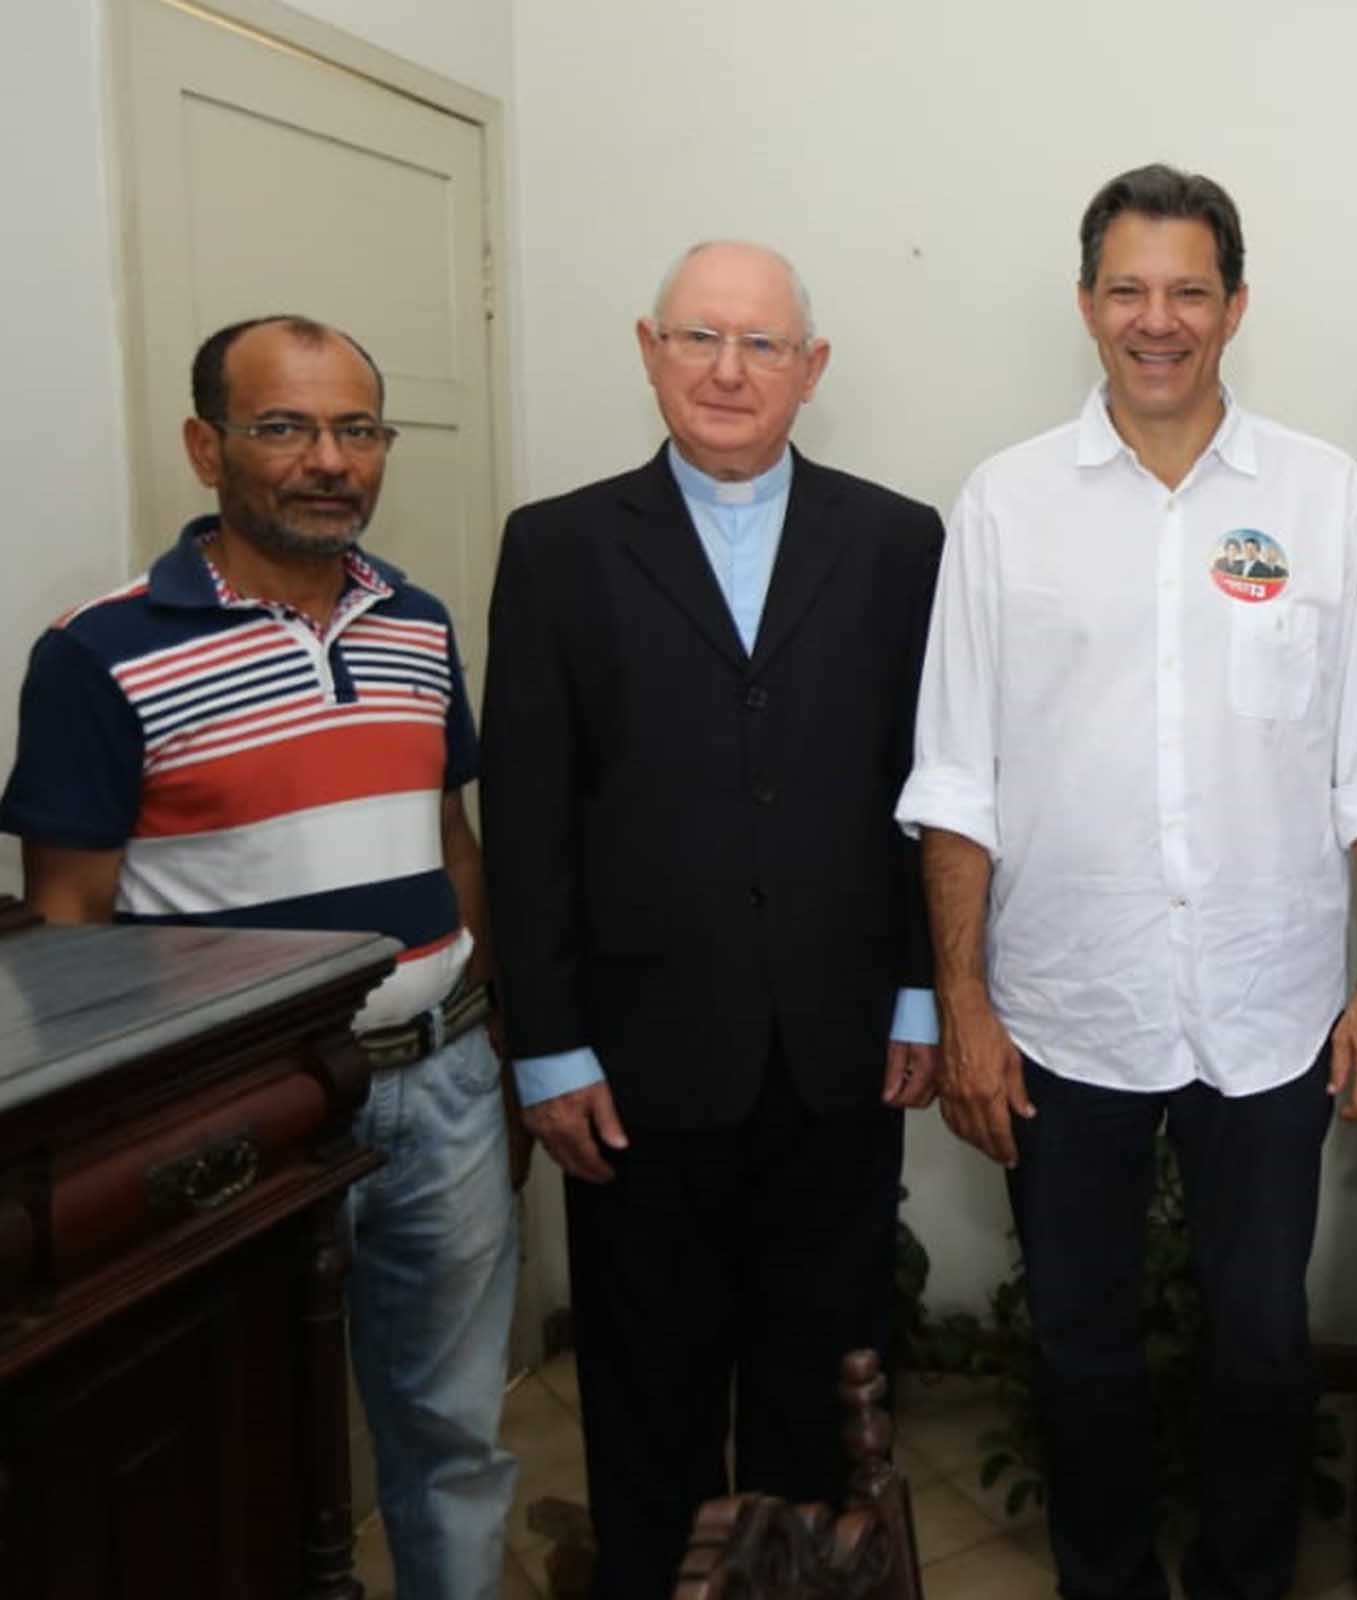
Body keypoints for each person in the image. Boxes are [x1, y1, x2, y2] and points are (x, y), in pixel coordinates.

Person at [896, 163, 1357, 1600]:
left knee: (1259, 1343)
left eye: (1190, 289)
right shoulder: (1004, 505)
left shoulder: (1319, 499)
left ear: (1236, 306)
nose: (1158, 318)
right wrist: (966, 1002)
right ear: (1085, 305)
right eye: (1128, 289)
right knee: (1079, 1348)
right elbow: (955, 780)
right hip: (1068, 1008)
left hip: (1270, 1010)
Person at [0, 314, 518, 1598]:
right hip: (239, 1117)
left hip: (442, 1084)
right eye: (284, 426)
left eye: (356, 428)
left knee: (453, 1427)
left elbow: (453, 840)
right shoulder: (96, 654)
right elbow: (68, 928)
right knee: (242, 1443)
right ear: (205, 446)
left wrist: (486, 1021)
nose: (327, 459)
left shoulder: (417, 621)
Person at [478, 241, 944, 1600]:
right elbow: (528, 812)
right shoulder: (557, 547)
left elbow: (933, 785)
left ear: (813, 368)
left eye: (760, 344)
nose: (728, 371)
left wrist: (920, 991)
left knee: (819, 1397)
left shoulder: (899, 540)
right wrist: (548, 1046)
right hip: (633, 1067)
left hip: (841, 1052)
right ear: (647, 348)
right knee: (646, 1396)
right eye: (698, 339)